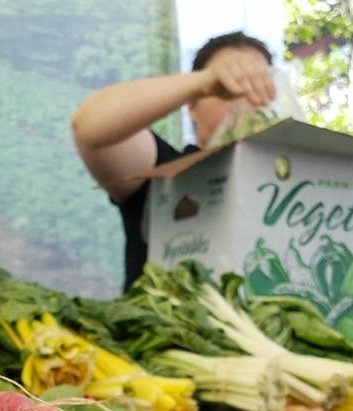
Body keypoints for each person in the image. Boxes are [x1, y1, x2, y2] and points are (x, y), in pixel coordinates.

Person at [71, 31, 277, 292]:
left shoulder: (290, 193)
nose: (244, 100)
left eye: (258, 85)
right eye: (227, 89)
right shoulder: (164, 170)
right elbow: (89, 125)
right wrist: (207, 80)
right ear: (192, 106)